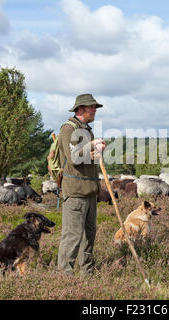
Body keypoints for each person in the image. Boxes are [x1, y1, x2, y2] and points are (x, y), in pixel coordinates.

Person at [57, 93, 106, 277]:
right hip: (76, 192)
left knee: (89, 236)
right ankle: (65, 276)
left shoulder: (87, 130)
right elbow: (74, 158)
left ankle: (87, 273)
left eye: (95, 107)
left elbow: (87, 160)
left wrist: (97, 151)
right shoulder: (68, 130)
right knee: (72, 236)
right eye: (91, 107)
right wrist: (92, 145)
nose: (94, 110)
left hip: (90, 192)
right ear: (80, 109)